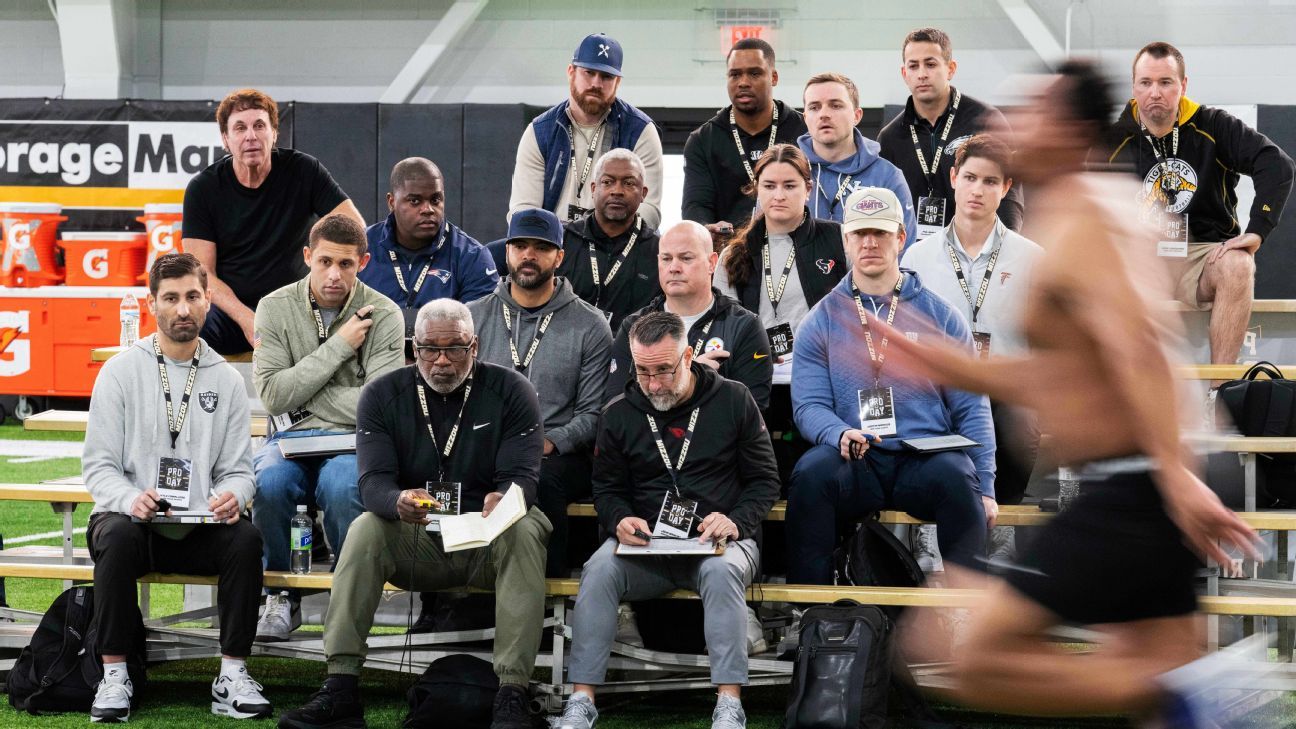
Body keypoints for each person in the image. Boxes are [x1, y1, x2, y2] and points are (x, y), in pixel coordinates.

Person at [879, 60, 1263, 728]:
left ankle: (1188, 694)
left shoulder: (1085, 216)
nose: (1019, 123)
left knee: (964, 656)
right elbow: (1065, 374)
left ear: (1072, 131)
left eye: (1038, 112)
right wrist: (941, 362)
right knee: (1144, 659)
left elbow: (1138, 348)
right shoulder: (1072, 213)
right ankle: (1185, 693)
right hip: (1141, 476)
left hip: (1141, 481)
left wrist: (1175, 476)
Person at [277, 299, 551, 729]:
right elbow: (372, 483)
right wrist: (396, 501)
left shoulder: (512, 390)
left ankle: (512, 692)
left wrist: (505, 498)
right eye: (429, 349)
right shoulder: (383, 394)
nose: (441, 361)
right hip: (419, 537)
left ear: (474, 346)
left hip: (488, 538)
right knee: (367, 528)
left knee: (526, 526)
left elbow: (524, 477)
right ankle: (340, 686)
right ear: (414, 348)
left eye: (454, 348)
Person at [556, 312, 780, 729]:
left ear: (688, 356)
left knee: (721, 572)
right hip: (648, 548)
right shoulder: (619, 412)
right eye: (643, 372)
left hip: (720, 543)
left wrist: (734, 521)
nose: (654, 383)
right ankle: (581, 701)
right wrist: (620, 519)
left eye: (663, 370)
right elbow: (606, 490)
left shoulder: (734, 400)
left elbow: (765, 481)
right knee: (598, 569)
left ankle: (729, 704)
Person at [82, 253, 270, 722]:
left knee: (246, 538)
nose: (182, 309)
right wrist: (131, 498)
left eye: (192, 296)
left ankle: (232, 674)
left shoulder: (227, 379)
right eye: (170, 298)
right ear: (151, 304)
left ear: (207, 301)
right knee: (116, 535)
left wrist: (234, 496)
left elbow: (240, 470)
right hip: (133, 525)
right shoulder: (120, 372)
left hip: (200, 528)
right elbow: (98, 468)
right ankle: (114, 675)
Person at [786, 186, 995, 587]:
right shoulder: (820, 320)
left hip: (923, 458)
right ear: (846, 241)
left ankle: (971, 611)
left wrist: (986, 486)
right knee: (811, 474)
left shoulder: (941, 316)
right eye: (860, 233)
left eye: (880, 233)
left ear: (901, 238)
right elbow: (809, 406)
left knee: (959, 475)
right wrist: (838, 433)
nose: (870, 243)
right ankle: (811, 608)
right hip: (857, 457)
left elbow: (972, 406)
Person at [251, 214, 405, 641]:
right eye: (324, 262)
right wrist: (339, 347)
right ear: (307, 257)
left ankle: (347, 594)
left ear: (363, 263)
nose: (334, 274)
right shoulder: (274, 306)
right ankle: (279, 594)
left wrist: (302, 394)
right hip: (287, 439)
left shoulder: (385, 314)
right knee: (268, 483)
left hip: (355, 442)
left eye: (345, 264)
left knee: (342, 484)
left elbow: (379, 408)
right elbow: (273, 396)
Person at [1105, 41, 1294, 369]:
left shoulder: (1213, 125)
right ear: (1133, 87)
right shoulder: (1113, 139)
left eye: (1165, 82)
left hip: (1202, 257)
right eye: (1145, 82)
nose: (1155, 93)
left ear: (1183, 85)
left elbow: (1277, 164)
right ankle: (1118, 390)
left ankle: (1219, 389)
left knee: (1239, 265)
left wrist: (1258, 230)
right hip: (1140, 259)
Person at [899, 133, 1042, 563]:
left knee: (1017, 416)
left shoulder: (1033, 258)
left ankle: (1002, 527)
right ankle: (932, 529)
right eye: (970, 178)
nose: (978, 190)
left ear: (1006, 187)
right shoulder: (917, 258)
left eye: (990, 181)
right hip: (938, 390)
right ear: (953, 179)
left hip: (1006, 388)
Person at [469, 207, 612, 576]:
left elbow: (592, 415)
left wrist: (546, 442)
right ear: (507, 252)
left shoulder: (590, 325)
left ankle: (548, 590)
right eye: (520, 246)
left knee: (541, 480)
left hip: (557, 454)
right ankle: (454, 596)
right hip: (487, 444)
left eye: (541, 247)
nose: (529, 255)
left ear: (559, 257)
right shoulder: (473, 316)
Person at [183, 88, 363, 354]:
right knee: (193, 320)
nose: (251, 136)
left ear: (274, 133)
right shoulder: (203, 188)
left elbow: (355, 229)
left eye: (259, 125)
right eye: (240, 128)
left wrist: (322, 256)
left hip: (297, 306)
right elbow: (203, 274)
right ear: (225, 139)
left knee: (351, 325)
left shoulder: (304, 170)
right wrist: (247, 320)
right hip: (233, 314)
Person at [609, 221, 773, 410]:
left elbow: (752, 410)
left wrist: (691, 384)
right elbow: (616, 407)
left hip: (712, 430)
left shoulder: (744, 326)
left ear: (712, 263)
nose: (674, 267)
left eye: (686, 258)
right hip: (647, 431)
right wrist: (689, 377)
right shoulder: (633, 325)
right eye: (666, 259)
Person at [878, 27, 1025, 237]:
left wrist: (1006, 242)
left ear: (951, 69)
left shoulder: (986, 120)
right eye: (913, 66)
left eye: (930, 64)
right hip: (913, 251)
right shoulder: (891, 137)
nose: (922, 74)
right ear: (904, 74)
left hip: (976, 246)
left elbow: (1010, 191)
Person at [509, 33, 664, 229]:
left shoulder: (640, 130)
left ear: (617, 82)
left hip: (615, 242)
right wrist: (560, 238)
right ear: (571, 72)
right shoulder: (539, 132)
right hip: (553, 243)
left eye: (606, 76)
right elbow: (523, 211)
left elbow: (649, 211)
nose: (596, 84)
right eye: (589, 72)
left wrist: (599, 235)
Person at [682, 37, 807, 246]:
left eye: (754, 73)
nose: (743, 82)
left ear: (774, 77)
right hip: (731, 252)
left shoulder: (804, 131)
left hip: (796, 245)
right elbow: (696, 206)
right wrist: (706, 229)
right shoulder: (702, 140)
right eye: (735, 74)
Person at [361, 157, 500, 342]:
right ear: (392, 202)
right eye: (415, 201)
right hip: (370, 354)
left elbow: (477, 334)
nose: (428, 209)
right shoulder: (360, 247)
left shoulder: (473, 257)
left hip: (442, 357)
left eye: (435, 200)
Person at [557, 150, 662, 332]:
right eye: (607, 182)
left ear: (643, 193)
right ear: (593, 189)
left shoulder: (659, 252)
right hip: (565, 345)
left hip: (631, 348)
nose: (617, 191)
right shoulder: (562, 239)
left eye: (629, 183)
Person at [797, 73, 915, 233]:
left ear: (857, 116)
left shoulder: (887, 176)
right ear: (805, 118)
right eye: (814, 107)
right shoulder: (788, 172)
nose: (823, 114)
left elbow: (904, 243)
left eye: (835, 106)